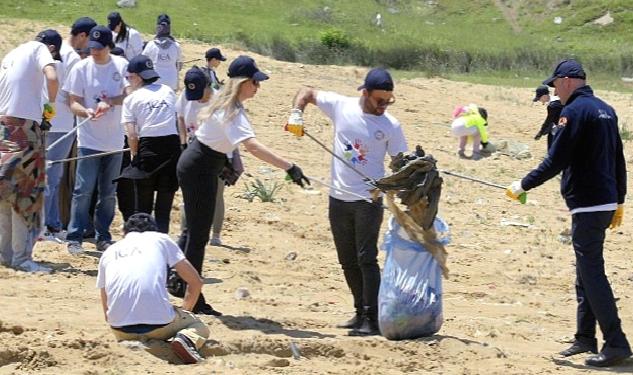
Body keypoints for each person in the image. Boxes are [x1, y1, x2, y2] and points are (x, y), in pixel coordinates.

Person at [506, 59, 631, 367]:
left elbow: (555, 160)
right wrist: (620, 200)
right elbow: (619, 158)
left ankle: (616, 343)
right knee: (584, 270)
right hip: (603, 202)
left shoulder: (572, 112)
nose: (553, 90)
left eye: (554, 85)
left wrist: (523, 184)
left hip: (588, 202)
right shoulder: (605, 109)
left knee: (592, 272)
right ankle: (585, 337)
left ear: (566, 81)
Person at [173, 56, 309, 315]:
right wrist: (289, 166)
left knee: (194, 233)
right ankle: (193, 298)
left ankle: (184, 285)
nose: (258, 87)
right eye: (255, 83)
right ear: (243, 83)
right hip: (199, 168)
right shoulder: (232, 111)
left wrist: (222, 162)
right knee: (198, 236)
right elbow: (253, 147)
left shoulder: (227, 104)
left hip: (201, 163)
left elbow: (214, 138)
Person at [289, 68, 408, 336]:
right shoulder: (341, 106)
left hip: (368, 200)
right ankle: (358, 311)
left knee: (366, 258)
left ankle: (372, 317)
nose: (383, 106)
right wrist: (296, 113)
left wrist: (407, 177)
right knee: (347, 259)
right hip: (338, 198)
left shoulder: (390, 125)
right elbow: (306, 92)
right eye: (379, 100)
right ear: (364, 93)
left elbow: (401, 161)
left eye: (388, 101)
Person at [97, 213, 209, 364]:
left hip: (121, 330)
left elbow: (106, 310)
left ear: (125, 232)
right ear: (153, 230)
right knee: (198, 326)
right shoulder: (161, 239)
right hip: (158, 326)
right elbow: (195, 282)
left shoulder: (109, 251)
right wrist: (185, 311)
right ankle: (185, 339)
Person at [64, 25, 129, 254]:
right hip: (88, 140)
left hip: (114, 140)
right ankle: (75, 236)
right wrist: (86, 112)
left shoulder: (121, 66)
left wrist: (110, 101)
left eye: (99, 49)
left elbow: (130, 94)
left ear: (109, 47)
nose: (94, 52)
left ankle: (103, 236)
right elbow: (73, 101)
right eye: (92, 48)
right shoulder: (81, 68)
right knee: (83, 190)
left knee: (108, 193)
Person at [0, 29, 60, 272]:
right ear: (52, 48)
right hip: (25, 129)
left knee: (5, 194)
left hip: (3, 126)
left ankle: (5, 255)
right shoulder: (40, 50)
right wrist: (49, 109)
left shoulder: (12, 53)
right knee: (27, 195)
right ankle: (22, 258)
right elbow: (52, 77)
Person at [176, 67, 243, 248]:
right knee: (188, 196)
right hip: (192, 150)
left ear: (208, 86)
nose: (196, 98)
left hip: (217, 153)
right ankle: (185, 232)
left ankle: (216, 235)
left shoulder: (220, 100)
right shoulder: (186, 95)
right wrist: (183, 143)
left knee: (216, 194)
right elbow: (180, 117)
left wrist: (235, 156)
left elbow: (232, 131)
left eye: (200, 93)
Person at [118, 55, 181, 233]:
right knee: (164, 208)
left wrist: (134, 154)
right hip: (171, 147)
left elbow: (132, 134)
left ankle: (141, 242)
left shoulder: (131, 99)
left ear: (137, 77)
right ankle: (161, 244)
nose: (129, 81)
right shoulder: (167, 90)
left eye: (129, 77)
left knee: (142, 209)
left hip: (148, 148)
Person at [42, 27, 82, 241]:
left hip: (51, 125)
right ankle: (50, 225)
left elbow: (50, 100)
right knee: (53, 178)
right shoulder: (65, 65)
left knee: (50, 178)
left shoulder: (51, 66)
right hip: (62, 126)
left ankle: (50, 225)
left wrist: (45, 120)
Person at [142, 14, 182, 91]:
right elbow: (179, 66)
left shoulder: (151, 45)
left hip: (155, 82)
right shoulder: (176, 46)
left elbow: (143, 63)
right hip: (171, 83)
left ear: (158, 28)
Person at [533, 84, 563, 149]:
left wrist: (540, 133)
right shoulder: (557, 99)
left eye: (539, 98)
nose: (539, 100)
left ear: (544, 96)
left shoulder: (552, 106)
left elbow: (548, 120)